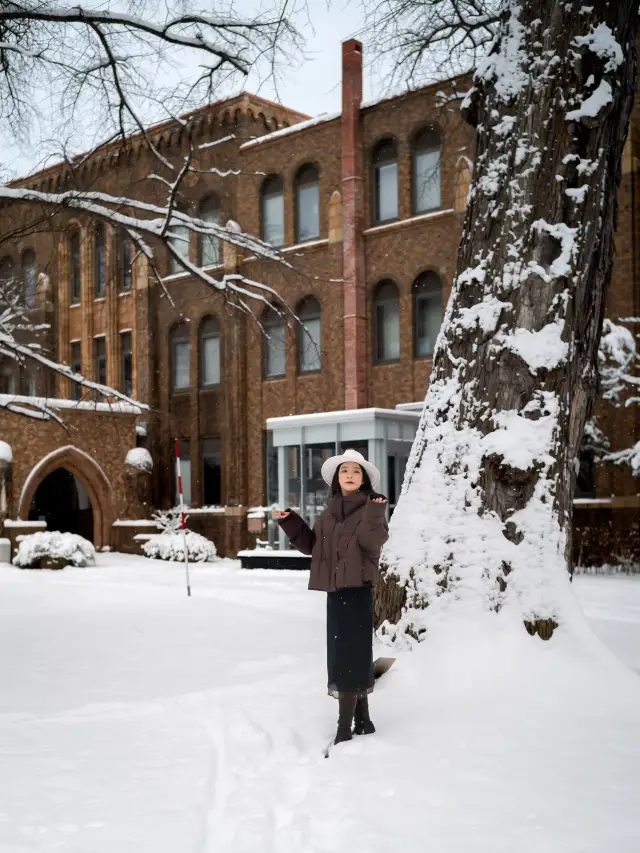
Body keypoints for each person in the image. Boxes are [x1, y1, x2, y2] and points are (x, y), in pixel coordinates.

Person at [273, 449, 389, 745]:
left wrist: (376, 512)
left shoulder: (370, 508)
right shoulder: (330, 512)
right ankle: (363, 721)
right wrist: (291, 521)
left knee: (348, 658)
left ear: (363, 480)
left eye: (356, 471)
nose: (349, 475)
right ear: (337, 479)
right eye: (344, 471)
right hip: (336, 593)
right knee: (348, 656)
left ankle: (343, 728)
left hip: (357, 591)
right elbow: (313, 547)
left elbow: (372, 542)